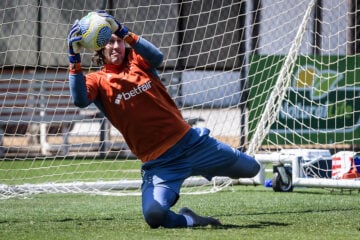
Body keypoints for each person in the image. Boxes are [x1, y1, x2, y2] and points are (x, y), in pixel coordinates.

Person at [67, 11, 260, 228]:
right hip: (160, 163)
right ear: (99, 48)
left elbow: (158, 57)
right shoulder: (97, 80)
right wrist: (74, 59)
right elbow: (80, 100)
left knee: (252, 169)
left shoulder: (136, 59)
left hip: (193, 144)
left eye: (119, 41)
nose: (116, 46)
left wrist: (123, 31)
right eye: (110, 42)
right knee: (154, 215)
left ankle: (210, 165)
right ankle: (190, 219)